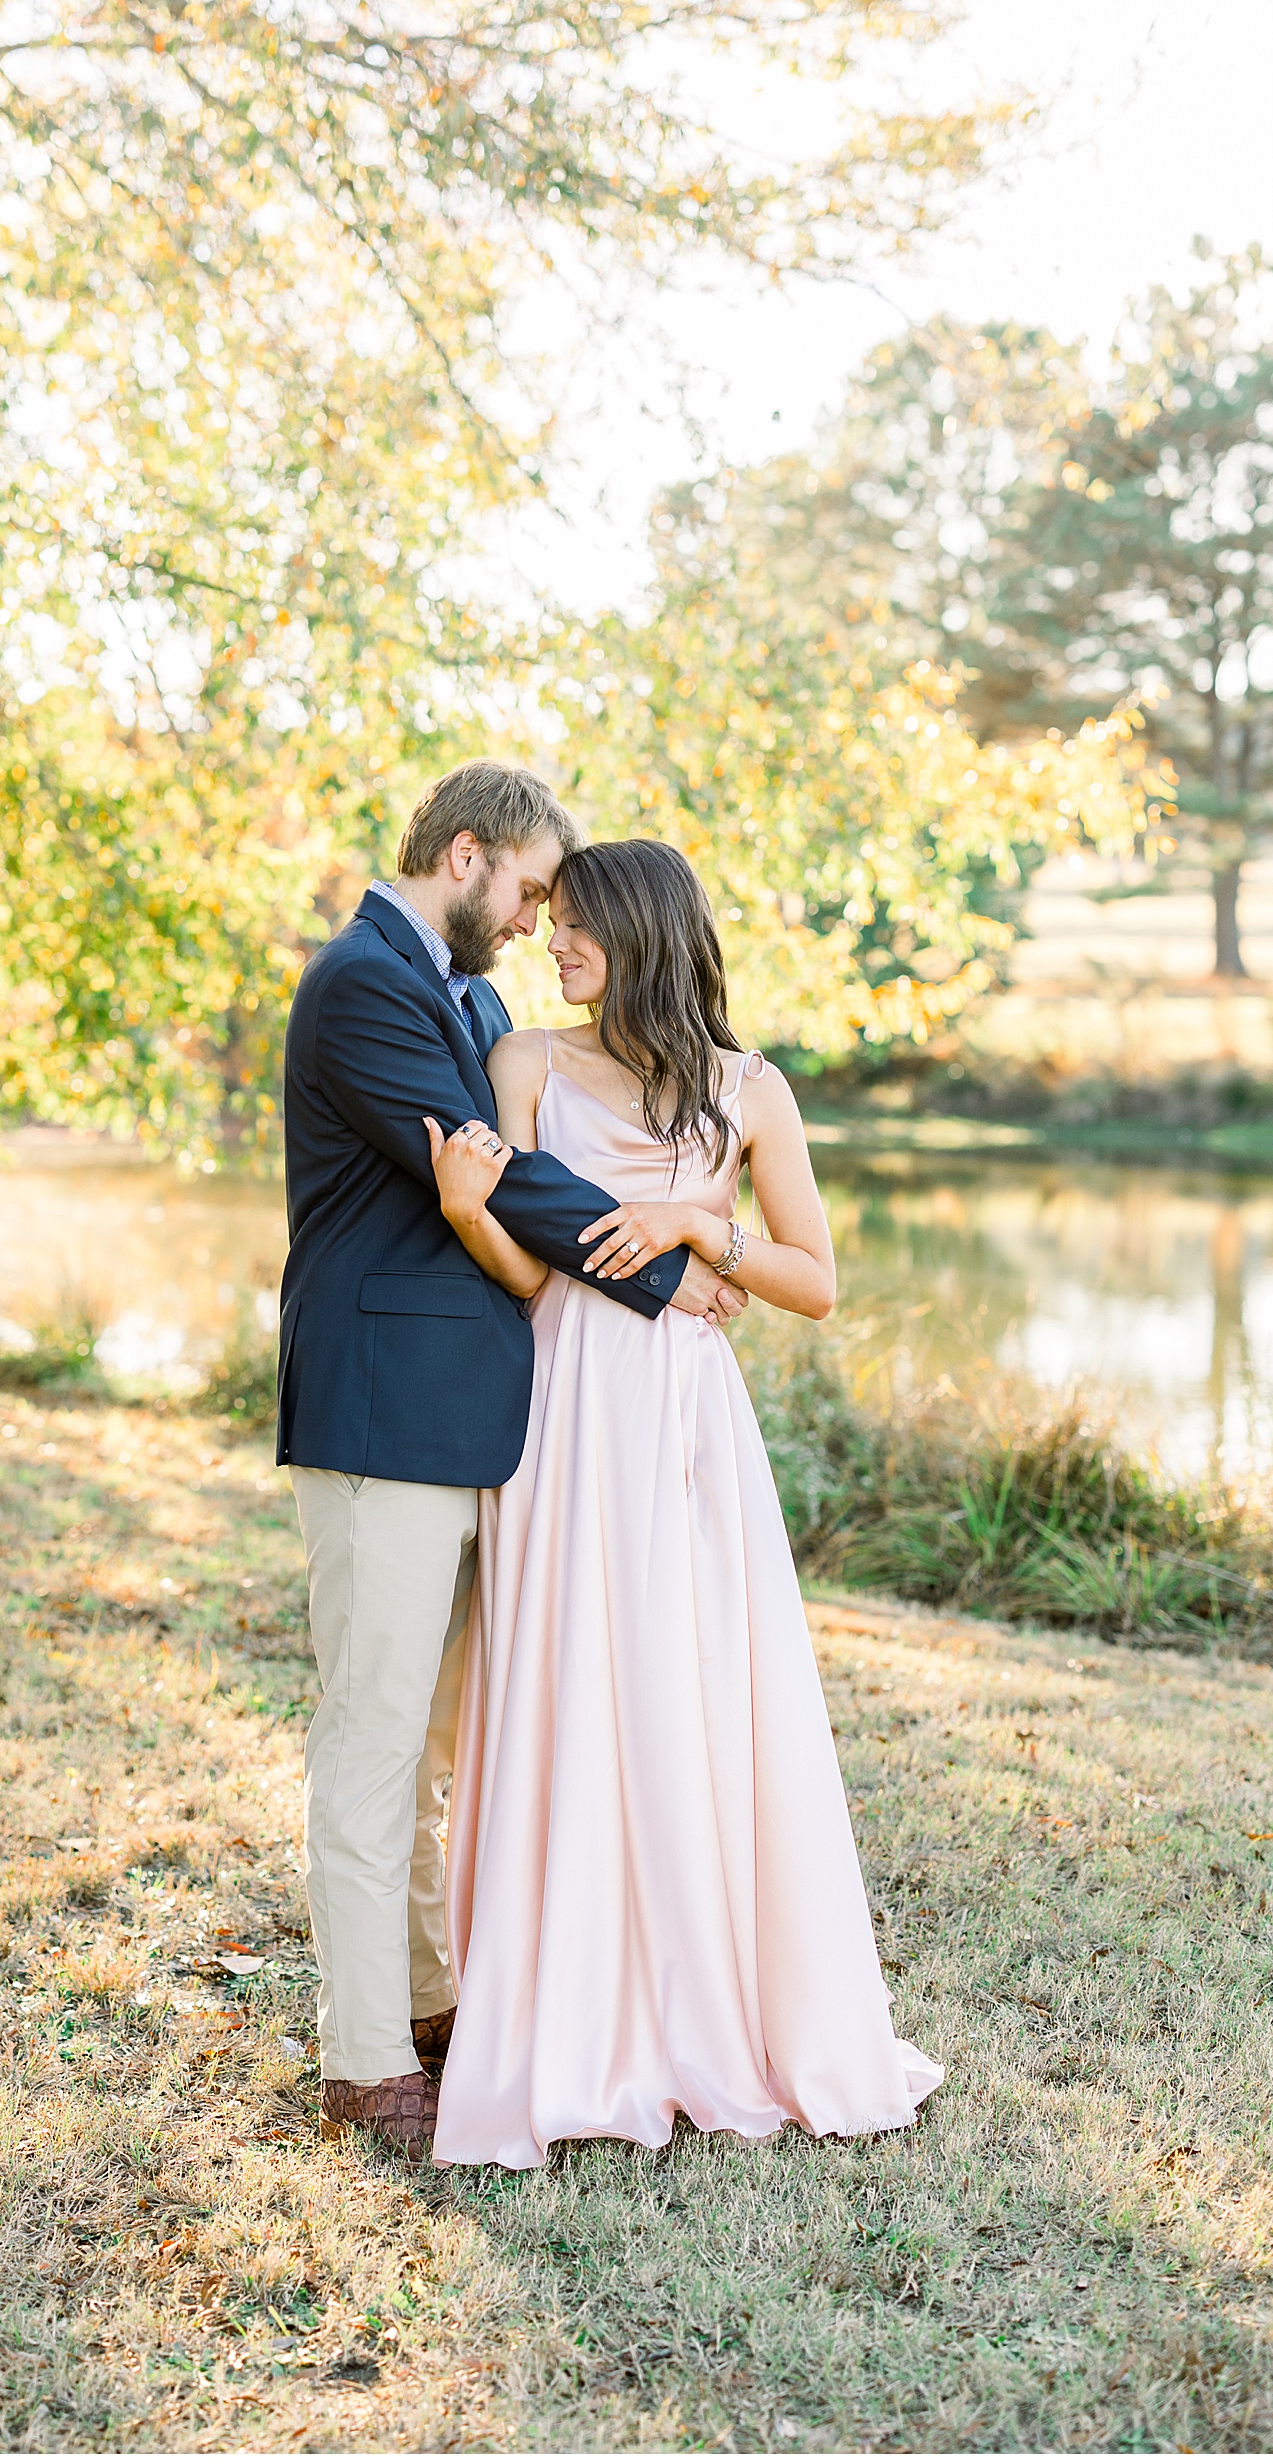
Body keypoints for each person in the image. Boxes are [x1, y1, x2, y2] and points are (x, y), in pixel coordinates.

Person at [425, 838, 943, 2168]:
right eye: (551, 926)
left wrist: (704, 1236)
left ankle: (706, 2001)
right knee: (567, 1679)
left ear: (642, 929)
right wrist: (472, 1210)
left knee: (689, 1682)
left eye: (579, 924)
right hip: (562, 1408)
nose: (555, 943)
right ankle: (567, 2007)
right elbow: (528, 1277)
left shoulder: (751, 1089)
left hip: (684, 1420)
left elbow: (816, 1279)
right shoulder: (528, 1062)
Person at [277, 767, 749, 2162]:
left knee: (436, 1744)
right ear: (467, 854)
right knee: (371, 1738)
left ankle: (430, 2002)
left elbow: (505, 1196)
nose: (544, 915)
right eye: (535, 886)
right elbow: (503, 1176)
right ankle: (364, 2057)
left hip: (486, 1423)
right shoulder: (363, 985)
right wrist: (666, 1261)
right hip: (382, 1415)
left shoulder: (474, 999)